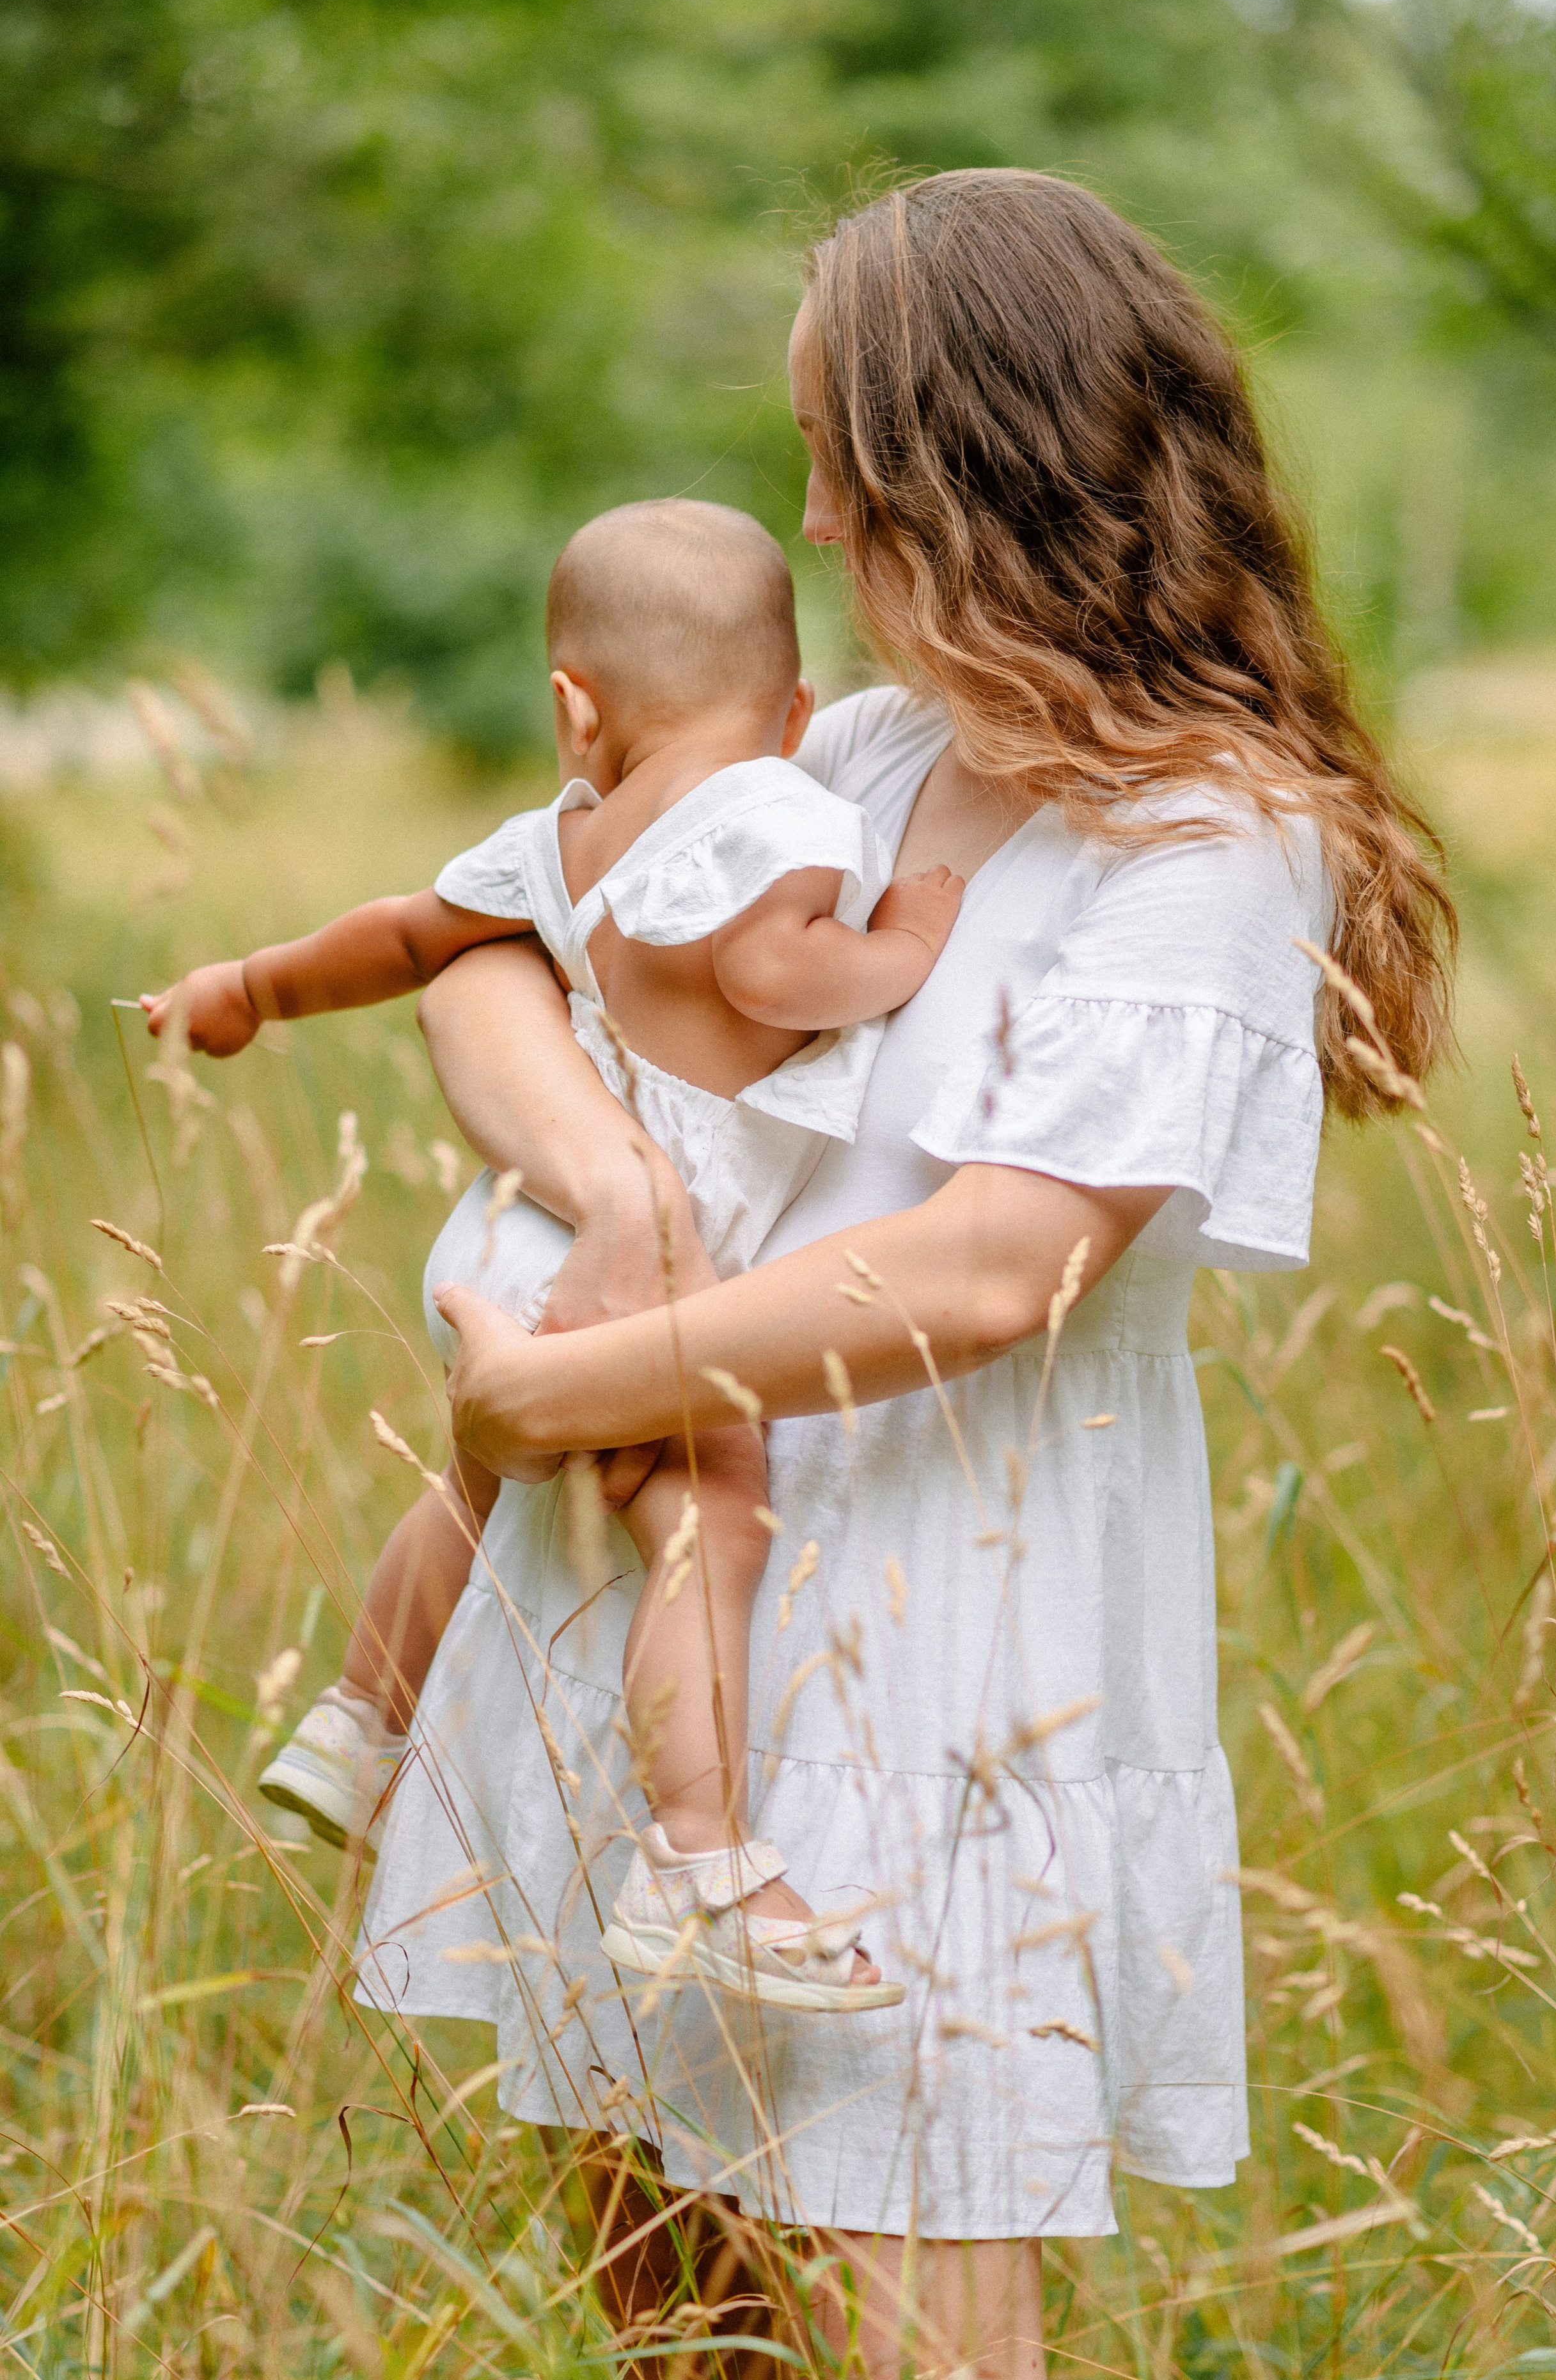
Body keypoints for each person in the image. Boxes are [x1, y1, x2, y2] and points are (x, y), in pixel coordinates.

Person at [359, 169, 1456, 2380]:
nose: (819, 532)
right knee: (670, 2295)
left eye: (839, 468)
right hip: (676, 1628)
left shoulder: (1210, 839)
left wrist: (568, 1384)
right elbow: (492, 937)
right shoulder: (851, 758)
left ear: (980, 478)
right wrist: (604, 1171)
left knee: (906, 2316)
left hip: (957, 1675)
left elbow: (996, 1259)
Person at [141, 496, 965, 2003]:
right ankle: (699, 1854)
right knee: (708, 1526)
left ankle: (358, 1717)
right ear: (794, 709)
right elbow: (777, 966)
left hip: (527, 1239)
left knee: (473, 1481)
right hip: (655, 1271)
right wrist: (901, 949)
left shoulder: (556, 839)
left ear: (572, 707)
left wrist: (245, 986)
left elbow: (401, 937)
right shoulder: (776, 810)